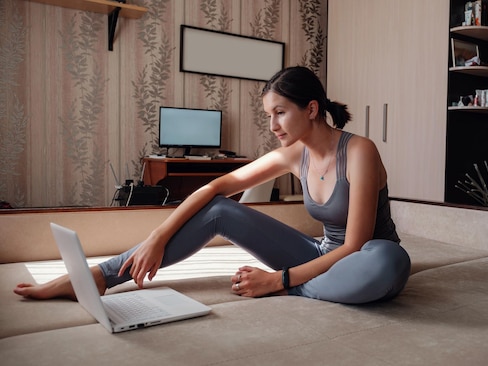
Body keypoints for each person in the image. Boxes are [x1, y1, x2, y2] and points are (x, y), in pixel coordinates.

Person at [14, 66, 411, 304]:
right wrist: (157, 236)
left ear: (310, 109)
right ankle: (99, 277)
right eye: (268, 114)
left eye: (280, 113)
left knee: (389, 261)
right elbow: (214, 189)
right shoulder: (296, 153)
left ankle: (295, 288)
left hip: (364, 258)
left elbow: (354, 246)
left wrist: (279, 279)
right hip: (319, 255)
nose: (272, 126)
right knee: (221, 210)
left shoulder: (359, 151)